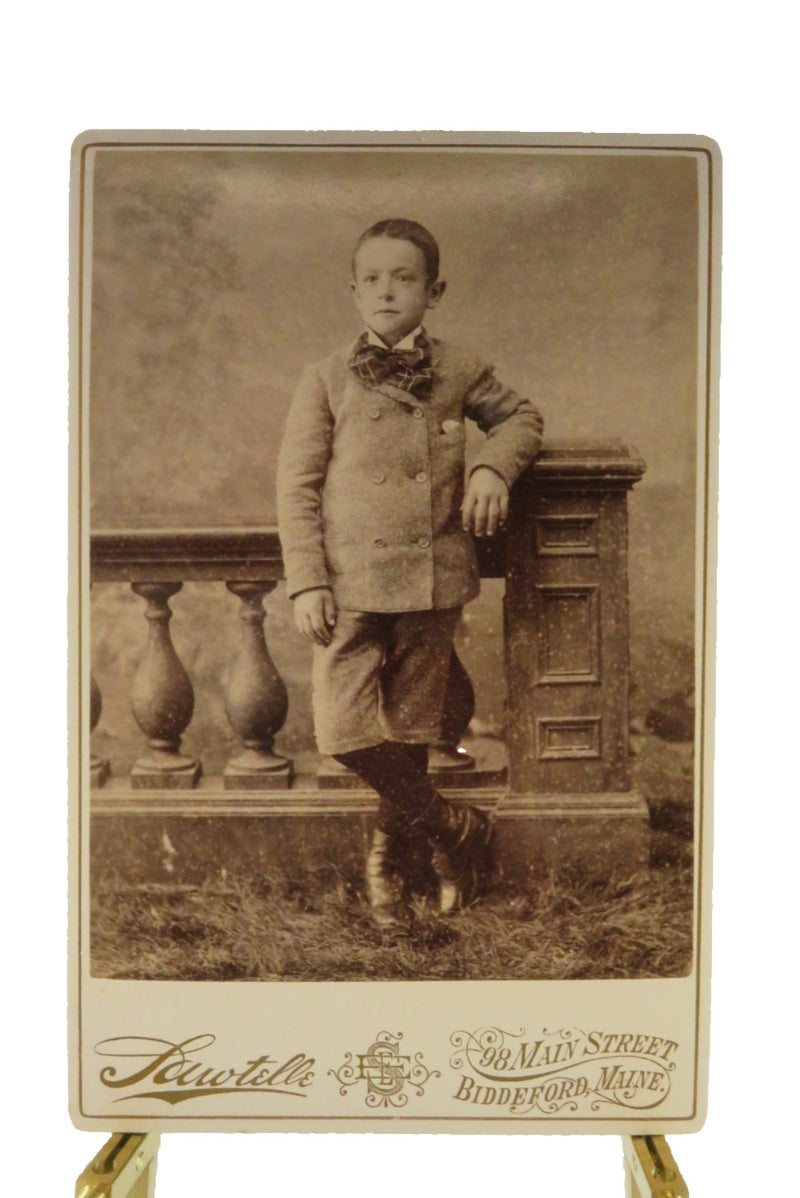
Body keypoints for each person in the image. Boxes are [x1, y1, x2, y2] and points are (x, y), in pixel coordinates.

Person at [277, 218, 543, 928]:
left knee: (406, 733)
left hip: (431, 583)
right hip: (350, 585)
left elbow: (521, 418)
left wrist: (491, 465)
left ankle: (390, 864)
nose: (386, 290)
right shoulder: (326, 378)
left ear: (434, 290)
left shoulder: (459, 368)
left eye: (404, 278)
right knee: (342, 732)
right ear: (354, 290)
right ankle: (457, 827)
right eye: (372, 278)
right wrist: (307, 580)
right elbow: (296, 487)